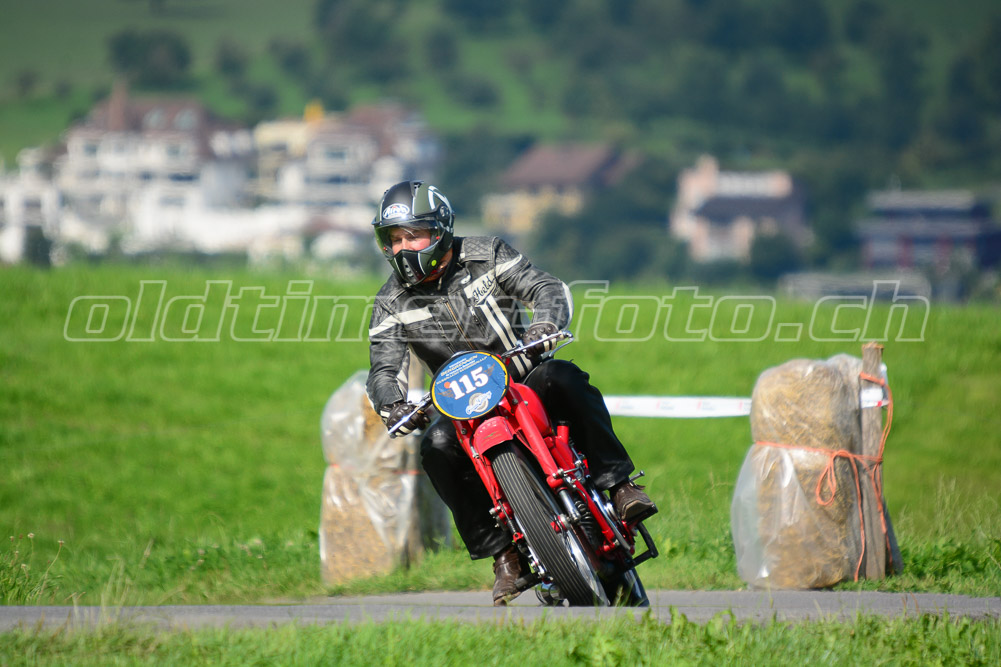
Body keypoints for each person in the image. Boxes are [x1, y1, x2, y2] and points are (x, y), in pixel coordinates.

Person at [366, 180, 656, 605]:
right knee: (436, 447)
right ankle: (504, 554)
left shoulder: (487, 254)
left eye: (414, 235)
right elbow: (383, 367)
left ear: (440, 230)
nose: (403, 248)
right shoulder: (390, 302)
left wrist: (544, 326)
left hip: (523, 374)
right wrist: (392, 404)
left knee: (563, 376)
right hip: (461, 408)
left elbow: (546, 288)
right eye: (394, 239)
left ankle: (620, 485)